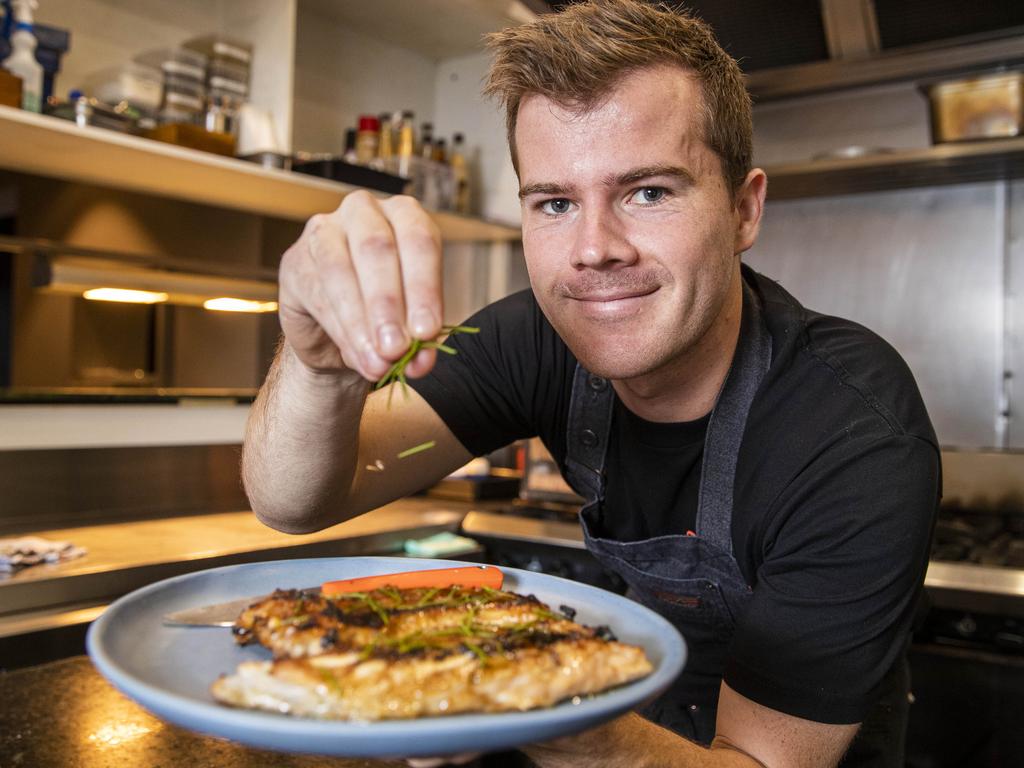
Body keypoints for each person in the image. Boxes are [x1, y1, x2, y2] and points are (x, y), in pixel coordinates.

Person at [243, 1, 940, 766]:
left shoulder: (853, 430)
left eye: (648, 192)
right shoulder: (536, 338)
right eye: (556, 202)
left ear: (744, 210)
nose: (593, 250)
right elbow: (294, 502)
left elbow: (761, 761)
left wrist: (518, 688)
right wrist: (316, 364)